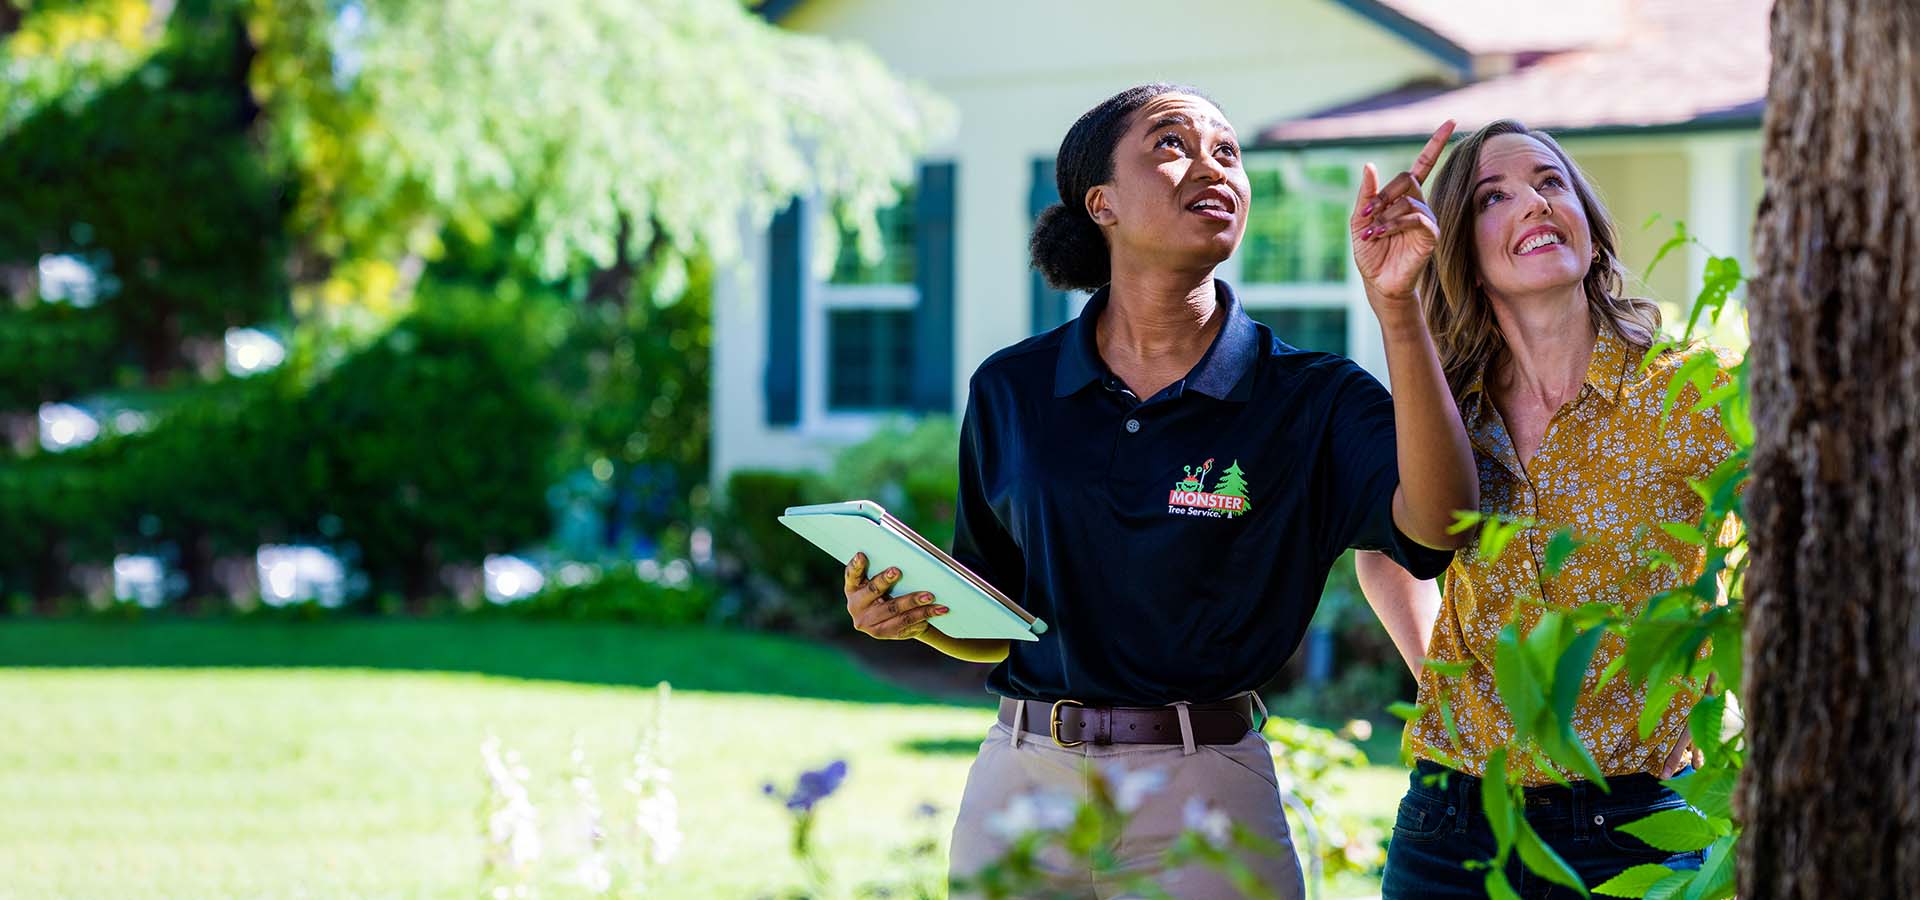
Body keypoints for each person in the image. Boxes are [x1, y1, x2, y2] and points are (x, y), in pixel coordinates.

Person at [838, 82, 1476, 898]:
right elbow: (998, 624)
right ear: (1099, 202)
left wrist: (1398, 308)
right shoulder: (1013, 390)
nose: (1212, 164)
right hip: (1024, 782)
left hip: (1205, 785)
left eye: (1228, 152)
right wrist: (912, 617)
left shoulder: (1310, 397)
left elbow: (1444, 525)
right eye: (1172, 143)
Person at [1354, 119, 1740, 898]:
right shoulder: (1445, 411)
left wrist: (1724, 711)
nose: (1532, 202)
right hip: (1453, 824)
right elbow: (1381, 550)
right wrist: (1441, 674)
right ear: (1461, 247)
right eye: (1495, 196)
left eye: (1550, 183)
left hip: (1641, 818)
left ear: (1590, 233)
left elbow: (1781, 567)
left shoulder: (1691, 394)